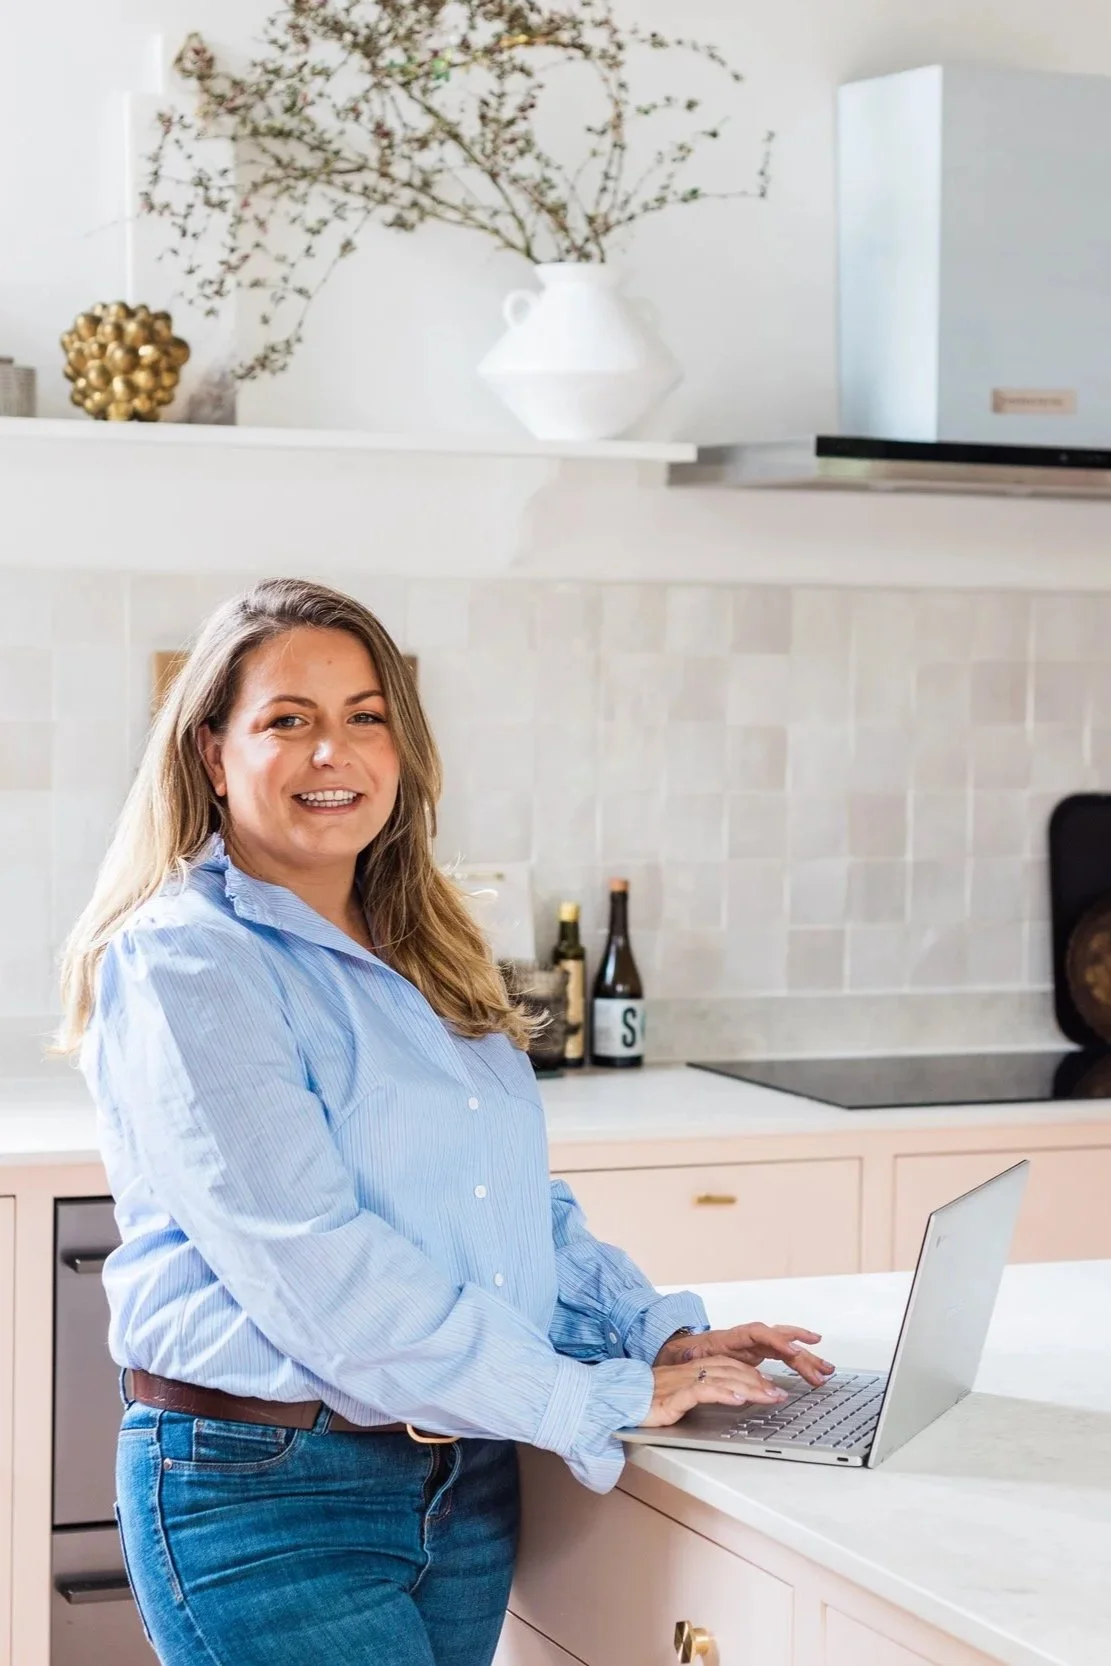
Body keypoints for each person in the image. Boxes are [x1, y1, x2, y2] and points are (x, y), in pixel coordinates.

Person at [58, 578, 834, 1666]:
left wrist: (651, 1329)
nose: (335, 752)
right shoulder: (189, 962)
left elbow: (502, 1207)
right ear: (209, 753)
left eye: (365, 717)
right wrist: (590, 1394)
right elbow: (320, 1268)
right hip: (267, 1493)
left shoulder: (424, 950)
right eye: (289, 720)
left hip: (464, 1480)